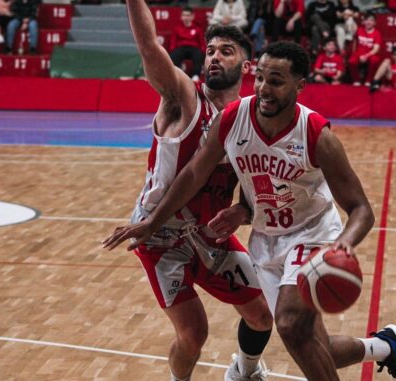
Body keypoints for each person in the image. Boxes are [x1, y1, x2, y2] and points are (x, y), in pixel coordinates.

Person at [103, 41, 396, 381]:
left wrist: (341, 245)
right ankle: (388, 346)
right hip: (266, 242)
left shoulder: (317, 134)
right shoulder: (233, 119)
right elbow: (195, 174)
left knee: (287, 323)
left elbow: (361, 209)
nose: (263, 89)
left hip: (312, 235)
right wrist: (155, 221)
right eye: (260, 78)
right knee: (313, 345)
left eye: (276, 81)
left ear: (300, 86)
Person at [107, 2, 275, 381]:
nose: (214, 57)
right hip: (159, 234)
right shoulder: (183, 99)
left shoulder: (249, 121)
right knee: (194, 333)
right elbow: (150, 46)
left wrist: (245, 212)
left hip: (209, 234)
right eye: (211, 51)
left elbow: (256, 188)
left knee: (263, 315)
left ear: (246, 67)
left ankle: (244, 372)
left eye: (226, 51)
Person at [169, 7, 206, 81]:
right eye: (184, 15)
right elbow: (173, 42)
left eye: (188, 15)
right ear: (181, 17)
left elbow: (202, 43)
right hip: (181, 48)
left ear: (192, 17)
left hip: (193, 48)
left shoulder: (198, 29)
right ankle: (175, 76)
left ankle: (195, 76)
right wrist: (172, 50)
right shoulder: (177, 29)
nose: (186, 17)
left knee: (198, 55)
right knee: (174, 55)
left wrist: (203, 52)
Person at [348, 11, 382, 85]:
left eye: (371, 20)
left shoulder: (377, 33)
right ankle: (356, 80)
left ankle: (368, 81)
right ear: (364, 21)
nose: (368, 22)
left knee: (374, 60)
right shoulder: (359, 30)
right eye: (367, 20)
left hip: (370, 53)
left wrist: (366, 56)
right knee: (351, 61)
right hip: (359, 52)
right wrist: (354, 53)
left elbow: (376, 49)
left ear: (375, 23)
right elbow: (355, 42)